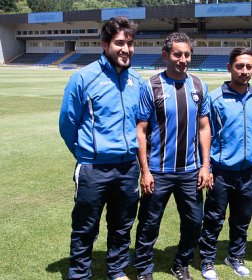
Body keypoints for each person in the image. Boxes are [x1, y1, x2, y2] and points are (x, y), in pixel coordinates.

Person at [59, 16, 142, 280]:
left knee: (122, 226)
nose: (125, 49)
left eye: (129, 43)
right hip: (93, 168)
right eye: (119, 43)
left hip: (128, 168)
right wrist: (86, 154)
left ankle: (116, 271)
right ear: (104, 44)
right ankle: (80, 274)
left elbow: (140, 127)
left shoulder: (137, 81)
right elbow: (67, 125)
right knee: (85, 227)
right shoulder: (83, 78)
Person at [134, 32, 211, 280]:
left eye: (187, 54)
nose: (183, 59)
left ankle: (181, 263)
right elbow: (141, 130)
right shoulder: (151, 86)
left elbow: (204, 128)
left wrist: (205, 166)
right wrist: (145, 171)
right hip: (158, 171)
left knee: (194, 222)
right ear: (166, 55)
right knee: (148, 223)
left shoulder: (199, 85)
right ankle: (144, 268)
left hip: (190, 171)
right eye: (178, 54)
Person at [198, 47, 252, 280]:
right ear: (230, 68)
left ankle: (235, 257)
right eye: (240, 66)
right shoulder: (215, 99)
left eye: (249, 66)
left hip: (248, 172)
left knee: (242, 219)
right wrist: (206, 166)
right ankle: (207, 260)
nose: (245, 71)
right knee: (214, 218)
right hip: (221, 172)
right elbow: (205, 135)